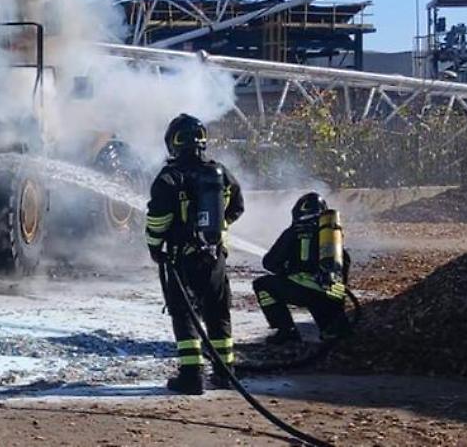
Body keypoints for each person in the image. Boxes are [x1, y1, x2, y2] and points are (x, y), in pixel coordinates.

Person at [146, 113, 244, 395]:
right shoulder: (220, 172)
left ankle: (192, 377)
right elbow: (237, 206)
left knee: (184, 314)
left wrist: (155, 248)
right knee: (218, 312)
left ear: (173, 143)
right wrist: (218, 228)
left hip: (182, 259)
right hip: (215, 258)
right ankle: (226, 374)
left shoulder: (169, 178)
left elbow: (157, 221)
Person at [252, 192, 351, 345]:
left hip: (303, 293)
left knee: (261, 284)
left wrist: (286, 269)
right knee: (334, 336)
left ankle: (286, 331)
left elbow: (269, 263)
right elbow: (343, 266)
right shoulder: (331, 236)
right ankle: (335, 327)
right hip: (331, 298)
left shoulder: (293, 232)